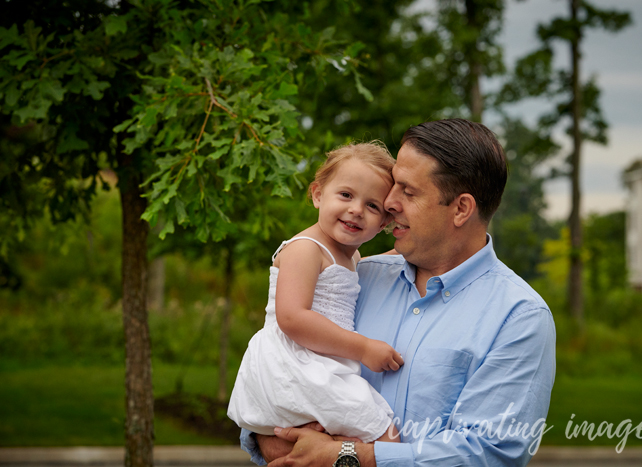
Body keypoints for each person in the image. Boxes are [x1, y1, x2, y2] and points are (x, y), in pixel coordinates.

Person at [242, 119, 556, 467]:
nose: (388, 203)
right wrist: (279, 440)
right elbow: (279, 379)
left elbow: (489, 454)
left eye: (407, 191)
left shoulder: (518, 317)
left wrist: (347, 457)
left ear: (461, 209)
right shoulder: (354, 277)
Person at [228, 142, 405, 445]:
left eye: (372, 205)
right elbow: (292, 318)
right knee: (386, 438)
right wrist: (363, 348)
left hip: (319, 365)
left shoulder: (351, 256)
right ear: (318, 194)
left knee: (354, 442)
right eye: (346, 195)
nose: (356, 210)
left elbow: (381, 263)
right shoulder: (305, 249)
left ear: (384, 222)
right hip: (297, 365)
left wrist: (415, 253)